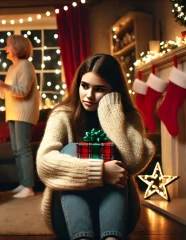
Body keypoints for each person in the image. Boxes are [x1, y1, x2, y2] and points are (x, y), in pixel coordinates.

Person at [36, 54, 155, 240]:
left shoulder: (128, 117)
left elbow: (133, 162)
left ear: (114, 91)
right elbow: (44, 164)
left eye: (99, 89)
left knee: (115, 154)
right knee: (71, 149)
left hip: (116, 215)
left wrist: (112, 115)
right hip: (68, 215)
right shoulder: (63, 114)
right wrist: (101, 172)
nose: (89, 95)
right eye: (85, 86)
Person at [0, 35, 40, 198]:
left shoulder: (26, 65)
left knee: (23, 149)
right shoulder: (12, 68)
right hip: (13, 113)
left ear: (17, 47)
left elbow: (22, 91)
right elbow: (5, 94)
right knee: (16, 150)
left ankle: (29, 187)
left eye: (8, 45)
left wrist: (2, 84)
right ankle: (23, 183)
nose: (5, 48)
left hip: (24, 113)